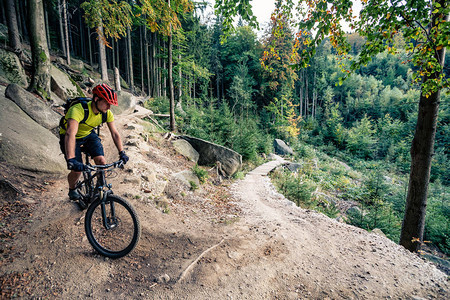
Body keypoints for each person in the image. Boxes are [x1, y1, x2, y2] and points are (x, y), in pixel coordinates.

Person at [59, 83, 129, 200]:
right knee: (76, 171)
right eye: (106, 103)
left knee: (102, 162)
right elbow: (70, 133)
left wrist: (122, 152)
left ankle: (99, 188)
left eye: (110, 104)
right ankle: (72, 189)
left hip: (88, 134)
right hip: (71, 137)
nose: (109, 107)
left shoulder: (106, 113)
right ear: (96, 99)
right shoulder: (77, 110)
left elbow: (115, 133)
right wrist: (71, 159)